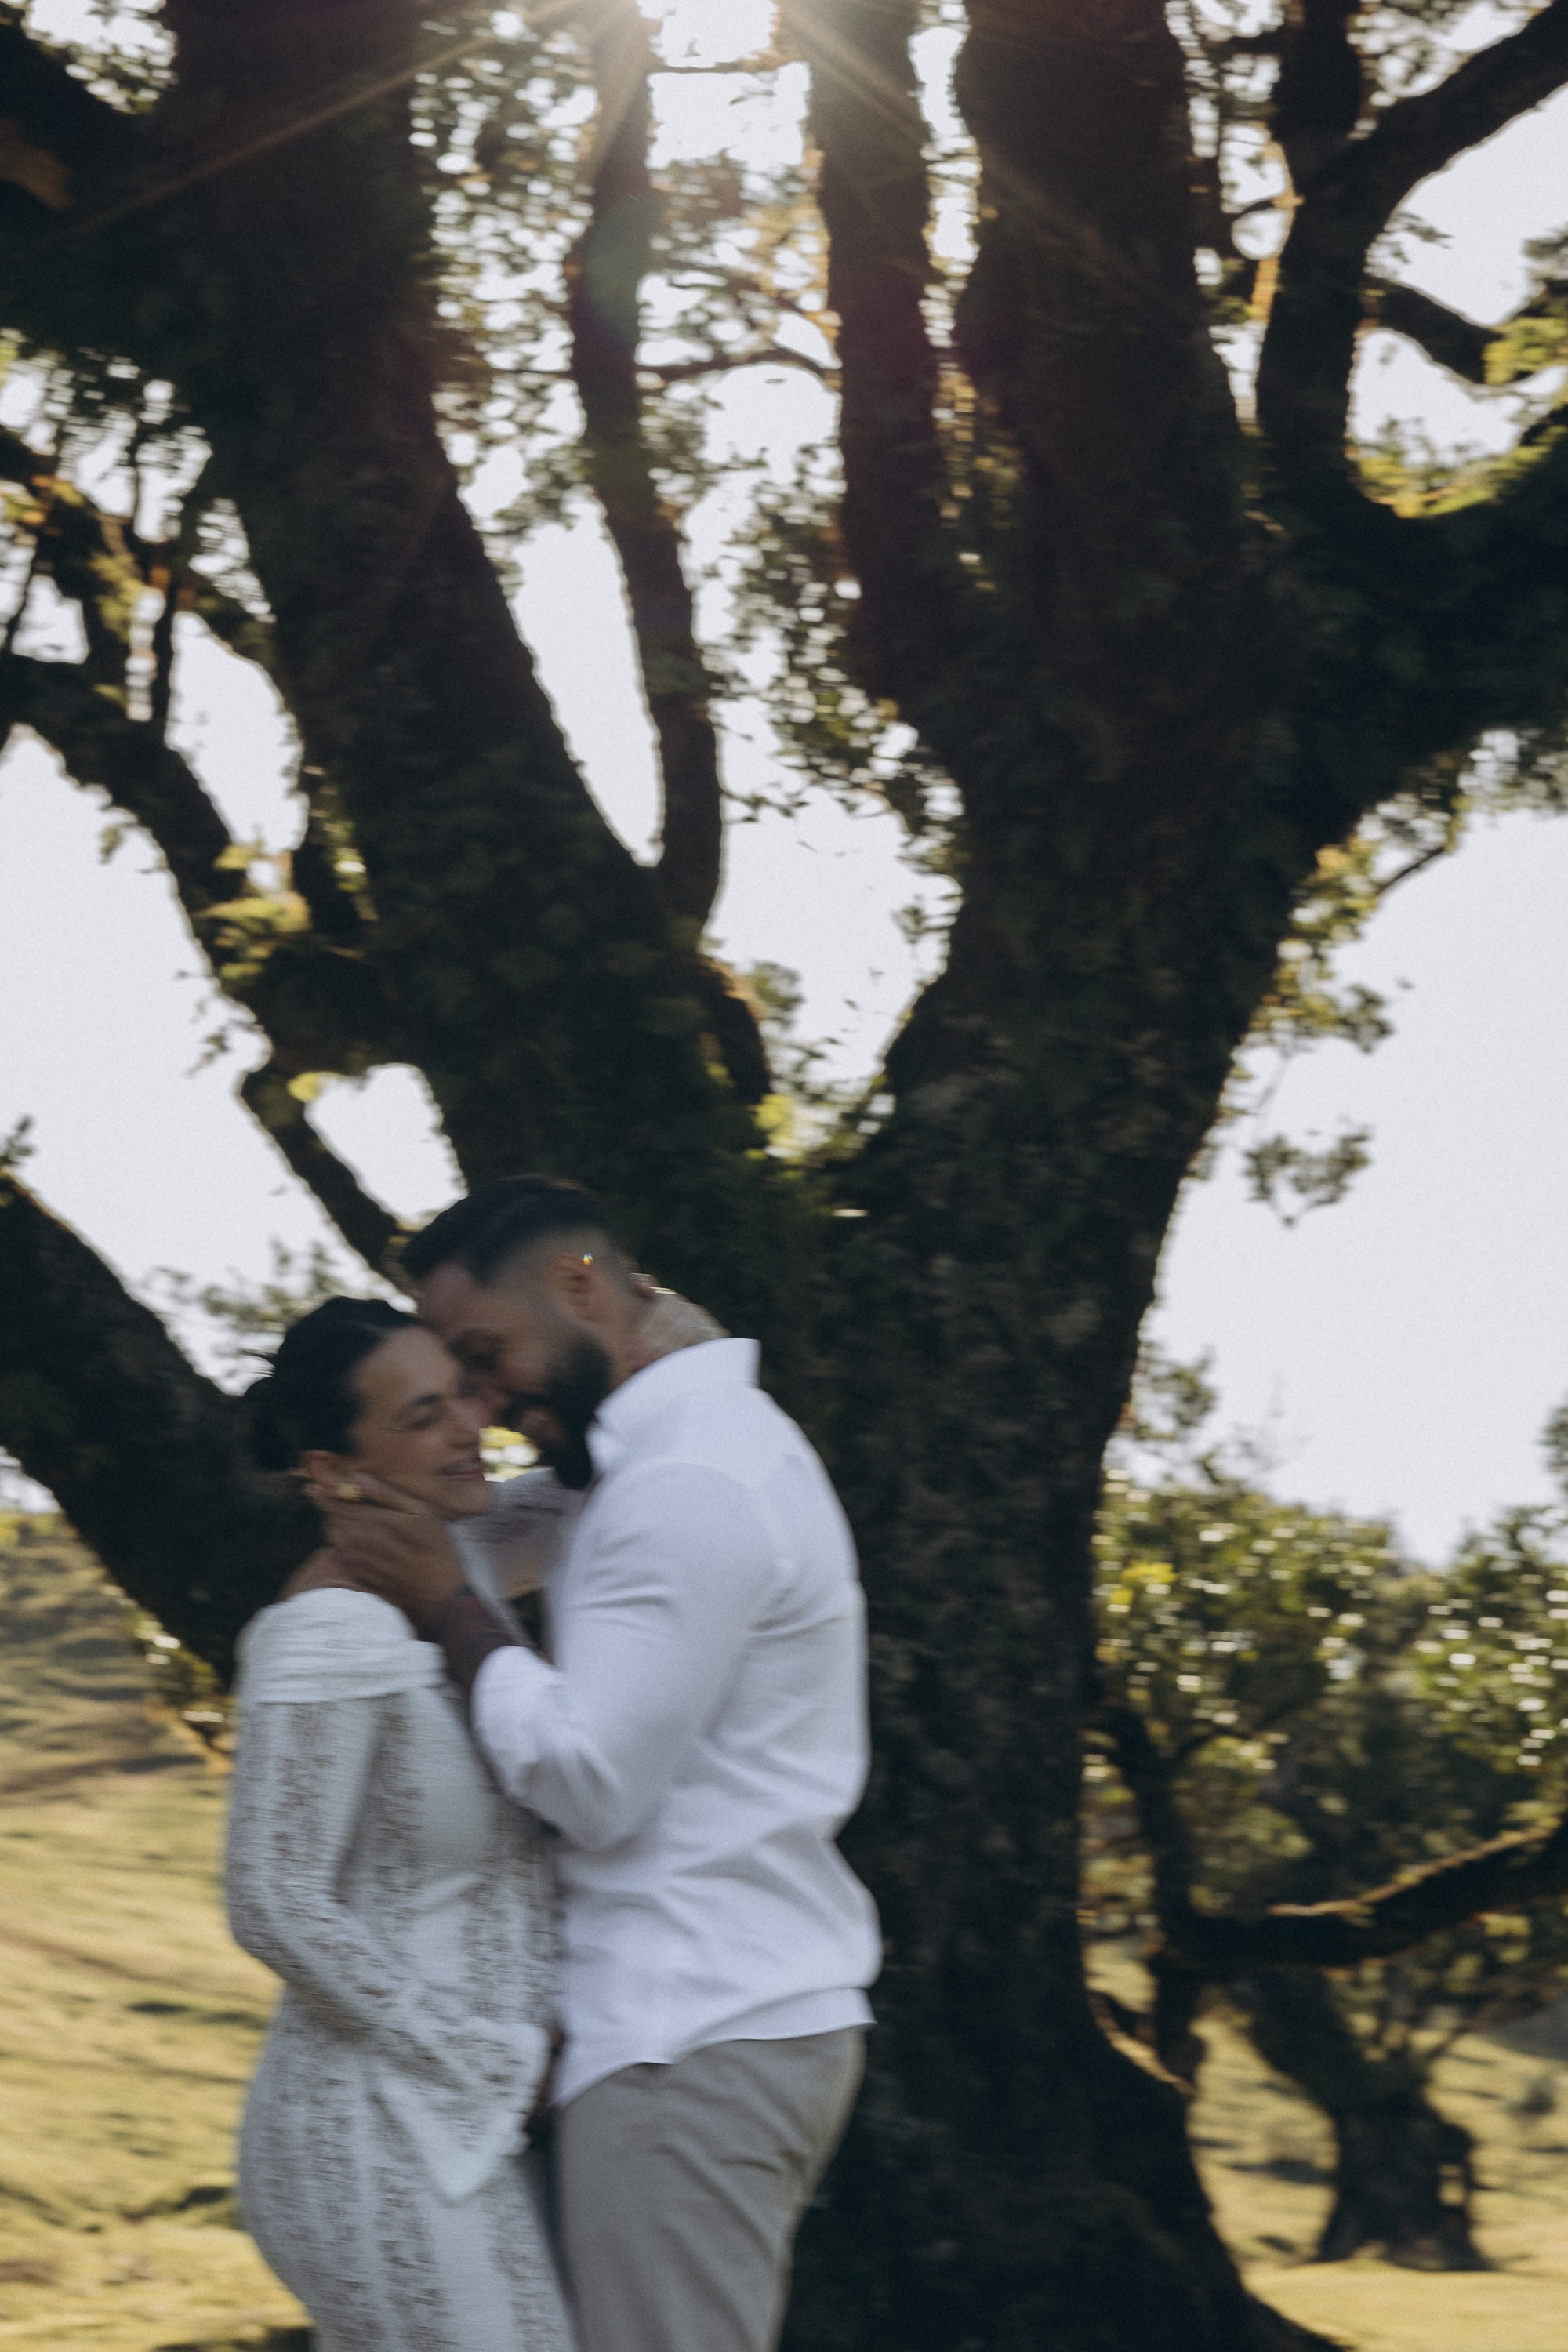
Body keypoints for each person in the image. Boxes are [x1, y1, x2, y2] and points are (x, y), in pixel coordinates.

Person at [325, 1175, 882, 2352]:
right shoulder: (659, 1462)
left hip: (687, 2038)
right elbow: (482, 1529)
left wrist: (444, 1611)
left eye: (485, 1357)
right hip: (717, 2025)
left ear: (580, 1286)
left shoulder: (683, 1484)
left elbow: (587, 1778)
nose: (479, 1404)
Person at [227, 1297, 574, 2352]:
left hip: (455, 2126)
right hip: (374, 2128)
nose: (468, 1429)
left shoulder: (455, 1566)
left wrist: (657, 1333)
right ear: (337, 1471)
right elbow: (271, 1899)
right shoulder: (327, 1628)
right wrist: (488, 2057)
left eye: (462, 1396)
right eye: (424, 1416)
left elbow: (609, 1491)